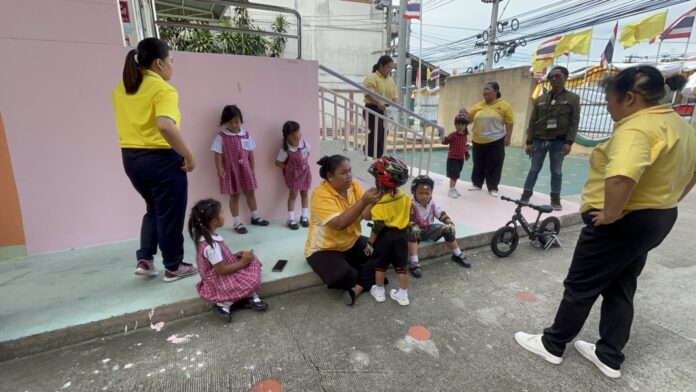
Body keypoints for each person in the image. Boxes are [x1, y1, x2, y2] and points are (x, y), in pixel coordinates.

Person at [514, 66, 696, 379]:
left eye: (610, 100)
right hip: (658, 218)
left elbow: (622, 176)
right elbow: (692, 173)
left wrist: (611, 214)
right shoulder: (680, 126)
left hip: (623, 223)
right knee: (621, 285)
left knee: (580, 285)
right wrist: (668, 201)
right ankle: (609, 354)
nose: (609, 107)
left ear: (630, 97)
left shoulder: (636, 129)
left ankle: (553, 344)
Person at [112, 37, 198, 282]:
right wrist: (188, 154)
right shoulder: (163, 89)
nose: (173, 65)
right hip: (160, 160)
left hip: (130, 159)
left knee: (154, 208)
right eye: (171, 60)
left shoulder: (122, 88)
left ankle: (145, 259)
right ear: (159, 63)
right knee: (170, 213)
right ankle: (174, 266)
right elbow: (165, 126)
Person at [305, 155, 383, 306]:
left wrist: (378, 197)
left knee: (382, 250)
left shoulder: (353, 186)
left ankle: (358, 286)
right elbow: (339, 224)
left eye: (350, 171)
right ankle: (365, 276)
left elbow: (365, 215)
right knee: (339, 276)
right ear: (330, 176)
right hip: (324, 249)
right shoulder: (320, 195)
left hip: (351, 242)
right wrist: (363, 201)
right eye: (343, 172)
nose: (349, 176)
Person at [187, 199, 267, 323]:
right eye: (222, 213)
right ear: (214, 221)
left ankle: (246, 297)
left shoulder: (206, 237)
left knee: (252, 260)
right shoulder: (210, 245)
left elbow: (216, 260)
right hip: (218, 278)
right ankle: (225, 304)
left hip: (219, 271)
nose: (224, 216)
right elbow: (221, 270)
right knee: (251, 276)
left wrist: (235, 255)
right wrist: (242, 262)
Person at [521, 66, 580, 210]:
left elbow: (574, 121)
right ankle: (526, 196)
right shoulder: (541, 99)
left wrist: (569, 142)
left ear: (565, 78)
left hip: (559, 141)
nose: (554, 79)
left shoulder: (573, 98)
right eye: (551, 77)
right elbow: (532, 121)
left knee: (556, 170)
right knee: (534, 169)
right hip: (539, 139)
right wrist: (529, 141)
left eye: (558, 76)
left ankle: (555, 199)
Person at [211, 105, 270, 234]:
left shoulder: (246, 135)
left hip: (245, 169)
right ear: (224, 122)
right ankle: (237, 222)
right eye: (230, 122)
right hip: (230, 170)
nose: (234, 125)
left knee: (250, 192)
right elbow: (218, 154)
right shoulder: (221, 137)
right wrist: (219, 168)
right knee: (234, 195)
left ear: (240, 120)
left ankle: (255, 217)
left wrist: (253, 169)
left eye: (236, 121)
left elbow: (250, 153)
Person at [362, 156, 412, 306]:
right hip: (402, 236)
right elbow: (409, 215)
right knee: (401, 267)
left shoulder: (382, 202)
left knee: (380, 266)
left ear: (380, 181)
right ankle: (403, 295)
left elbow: (377, 225)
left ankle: (379, 292)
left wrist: (370, 242)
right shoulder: (404, 196)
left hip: (385, 237)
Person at [407, 175, 470, 279]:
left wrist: (449, 221)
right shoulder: (409, 204)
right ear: (414, 192)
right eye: (421, 193)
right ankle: (414, 262)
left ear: (431, 193)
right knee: (413, 229)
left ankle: (457, 255)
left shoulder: (432, 204)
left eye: (427, 193)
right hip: (412, 233)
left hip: (428, 230)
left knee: (448, 229)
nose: (424, 196)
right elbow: (403, 220)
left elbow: (441, 215)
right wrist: (409, 224)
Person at [461, 82, 514, 197]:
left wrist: (508, 137)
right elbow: (469, 119)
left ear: (495, 91)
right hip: (478, 140)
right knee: (478, 163)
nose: (484, 91)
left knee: (494, 164)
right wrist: (465, 113)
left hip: (496, 139)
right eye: (484, 89)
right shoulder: (479, 105)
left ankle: (492, 187)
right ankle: (477, 183)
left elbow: (509, 122)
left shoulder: (504, 105)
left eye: (487, 89)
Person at [275, 121, 312, 230]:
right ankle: (290, 219)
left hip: (305, 173)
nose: (300, 134)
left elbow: (307, 155)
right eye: (298, 132)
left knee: (305, 194)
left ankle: (304, 216)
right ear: (290, 135)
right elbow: (277, 163)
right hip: (294, 176)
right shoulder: (285, 150)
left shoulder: (304, 144)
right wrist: (289, 168)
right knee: (293, 196)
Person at [363, 55, 398, 158]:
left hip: (386, 110)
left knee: (384, 134)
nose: (390, 70)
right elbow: (368, 93)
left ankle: (378, 156)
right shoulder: (372, 77)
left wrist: (395, 103)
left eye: (391, 68)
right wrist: (378, 102)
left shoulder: (391, 80)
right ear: (381, 65)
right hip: (372, 108)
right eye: (388, 67)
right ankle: (368, 153)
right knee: (377, 131)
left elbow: (394, 95)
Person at [442, 112, 471, 198]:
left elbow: (465, 145)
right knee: (453, 175)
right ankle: (451, 190)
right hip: (453, 158)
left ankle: (453, 188)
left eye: (462, 124)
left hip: (460, 159)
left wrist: (466, 153)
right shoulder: (453, 135)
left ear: (466, 126)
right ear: (455, 125)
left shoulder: (465, 136)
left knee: (457, 174)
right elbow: (445, 141)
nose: (460, 126)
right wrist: (442, 137)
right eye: (458, 124)